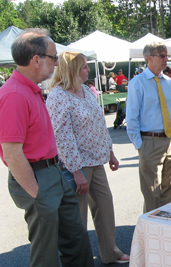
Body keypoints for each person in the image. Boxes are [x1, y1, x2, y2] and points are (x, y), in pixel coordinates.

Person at [0, 29, 94, 267]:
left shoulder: (30, 89)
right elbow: (11, 152)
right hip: (37, 176)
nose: (56, 63)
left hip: (52, 172)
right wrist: (36, 192)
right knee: (46, 253)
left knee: (76, 239)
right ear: (36, 60)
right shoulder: (14, 94)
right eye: (53, 57)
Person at [46, 51, 129, 264]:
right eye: (84, 67)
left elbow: (100, 125)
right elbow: (62, 136)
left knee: (105, 206)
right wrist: (75, 170)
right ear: (72, 69)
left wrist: (109, 152)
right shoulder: (58, 95)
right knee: (77, 218)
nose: (88, 70)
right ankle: (79, 260)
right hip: (76, 167)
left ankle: (110, 252)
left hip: (95, 161)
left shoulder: (85, 89)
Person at [126, 41, 171, 213]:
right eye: (162, 56)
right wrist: (139, 144)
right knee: (152, 193)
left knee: (170, 191)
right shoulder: (138, 83)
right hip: (149, 141)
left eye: (166, 56)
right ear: (149, 58)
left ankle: (166, 230)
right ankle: (151, 235)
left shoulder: (168, 82)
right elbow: (132, 117)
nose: (166, 60)